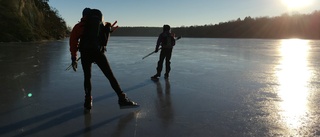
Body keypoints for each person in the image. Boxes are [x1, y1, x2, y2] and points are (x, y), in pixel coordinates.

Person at [69, 8, 139, 110]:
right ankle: (122, 98)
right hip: (98, 53)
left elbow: (73, 42)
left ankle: (88, 100)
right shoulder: (99, 24)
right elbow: (103, 39)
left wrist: (73, 57)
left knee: (87, 77)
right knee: (110, 76)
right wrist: (109, 31)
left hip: (85, 54)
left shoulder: (79, 26)